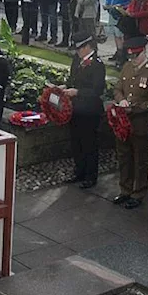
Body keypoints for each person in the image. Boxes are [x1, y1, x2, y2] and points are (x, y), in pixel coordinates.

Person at [111, 40, 148, 209]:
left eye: (136, 55)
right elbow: (117, 89)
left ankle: (138, 191)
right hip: (123, 123)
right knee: (124, 157)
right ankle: (125, 189)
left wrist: (135, 108)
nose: (133, 59)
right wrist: (121, 100)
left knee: (140, 159)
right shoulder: (127, 67)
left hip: (140, 123)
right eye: (131, 55)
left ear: (144, 51)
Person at [61, 31, 107, 189]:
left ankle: (90, 175)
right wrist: (65, 87)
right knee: (76, 142)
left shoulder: (97, 65)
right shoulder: (77, 60)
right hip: (76, 108)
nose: (78, 52)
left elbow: (97, 90)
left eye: (81, 48)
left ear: (88, 47)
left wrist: (78, 92)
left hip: (89, 110)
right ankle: (78, 170)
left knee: (89, 143)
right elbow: (72, 78)